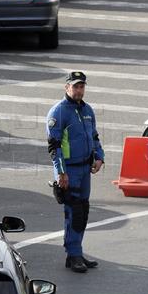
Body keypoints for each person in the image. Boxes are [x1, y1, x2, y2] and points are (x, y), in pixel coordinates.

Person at [46, 71, 104, 273]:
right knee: (73, 212)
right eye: (75, 86)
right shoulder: (58, 112)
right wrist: (61, 173)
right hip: (68, 170)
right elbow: (54, 147)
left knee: (83, 210)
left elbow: (94, 136)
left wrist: (99, 156)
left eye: (82, 86)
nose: (79, 90)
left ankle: (76, 252)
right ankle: (73, 254)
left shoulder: (87, 110)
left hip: (85, 169)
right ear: (67, 87)